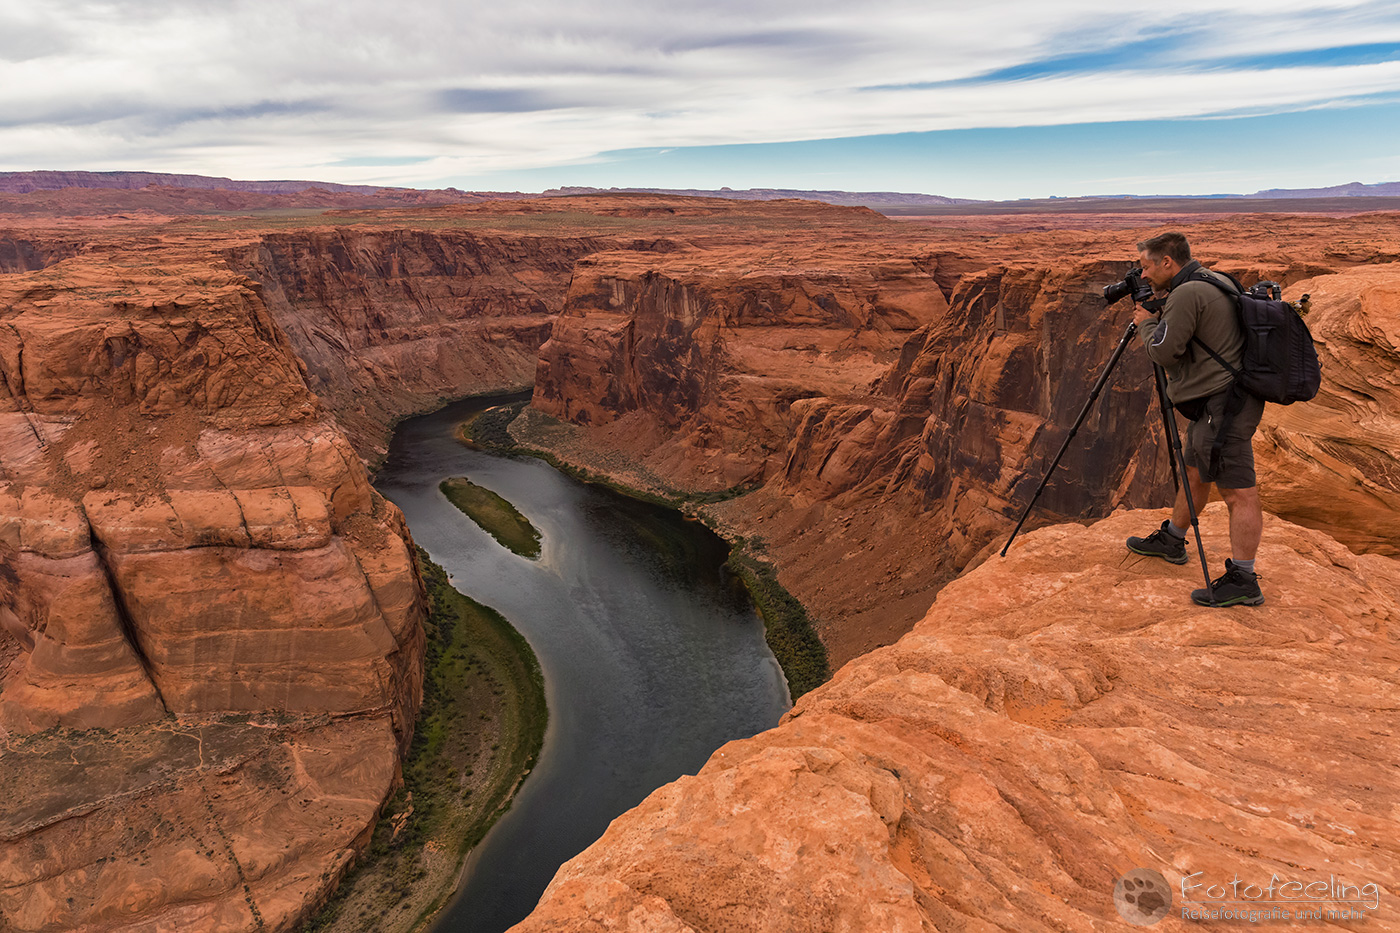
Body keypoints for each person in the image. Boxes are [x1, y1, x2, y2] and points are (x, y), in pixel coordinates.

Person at [1124, 231, 1265, 606]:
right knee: (1194, 471)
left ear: (1167, 262)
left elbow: (1165, 351)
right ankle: (1173, 538)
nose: (1144, 275)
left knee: (1238, 491)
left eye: (1147, 266)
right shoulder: (1212, 279)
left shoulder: (1187, 293)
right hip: (1220, 401)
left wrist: (1146, 323)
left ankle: (1244, 578)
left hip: (1226, 404)